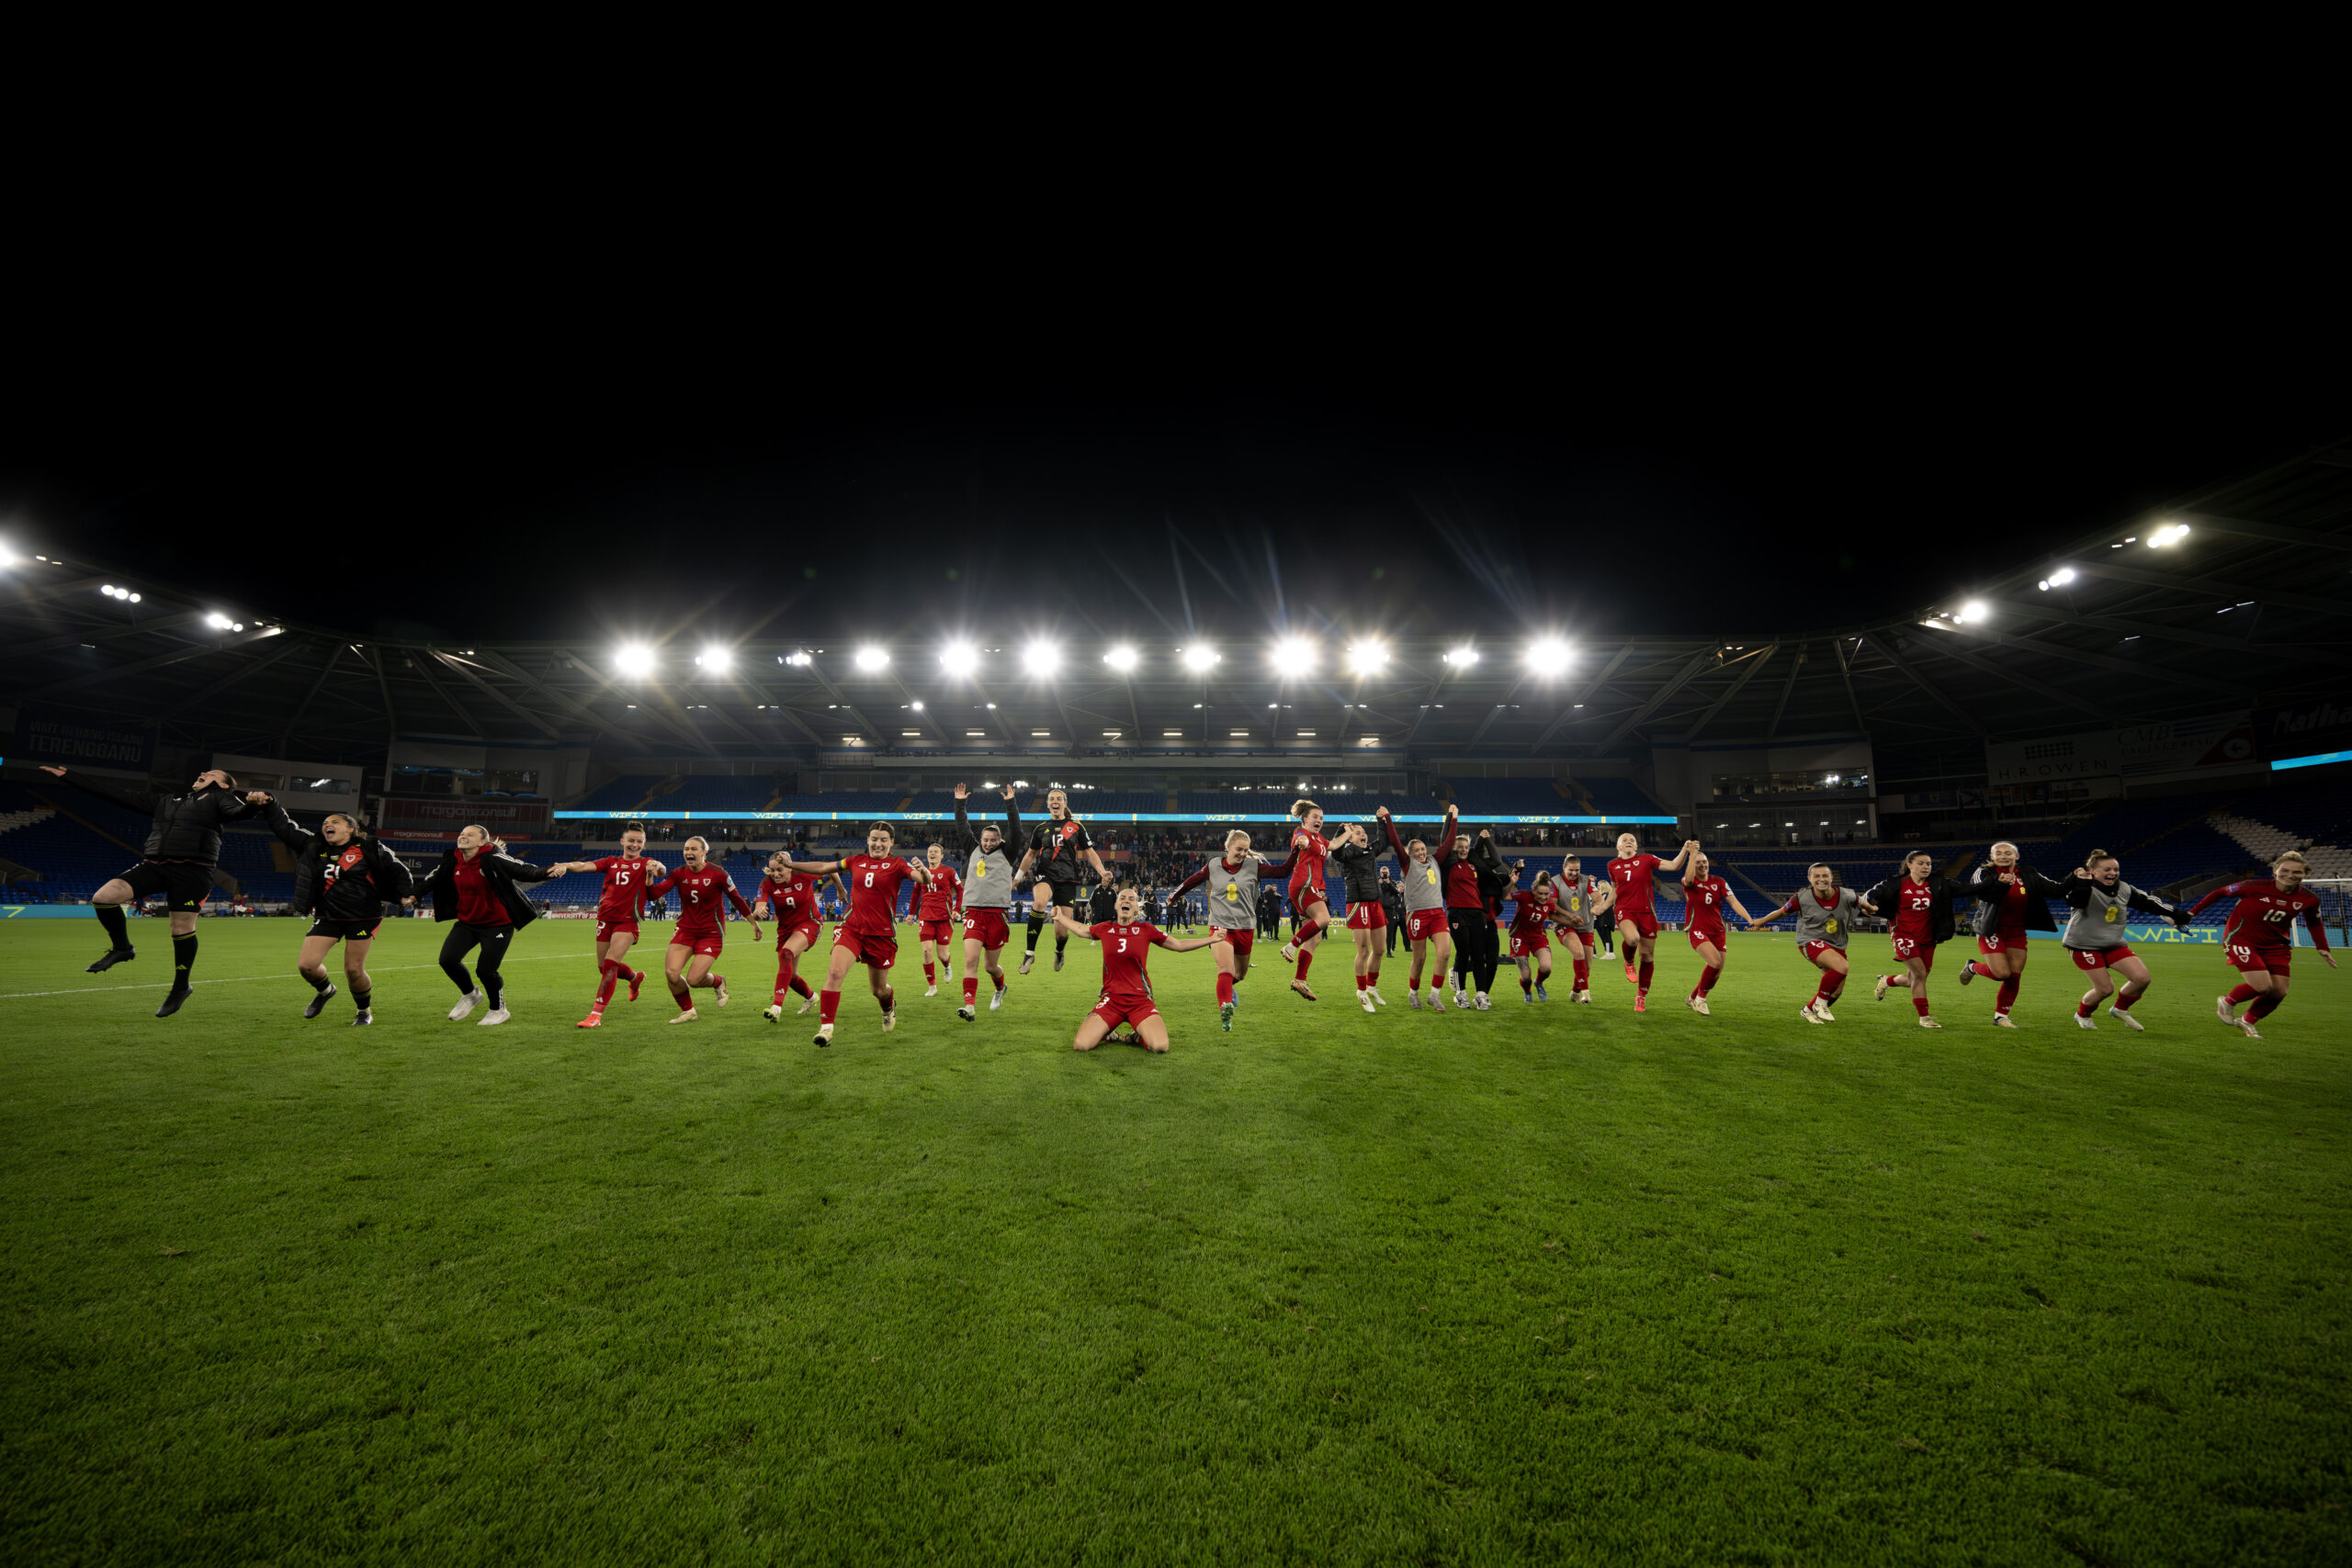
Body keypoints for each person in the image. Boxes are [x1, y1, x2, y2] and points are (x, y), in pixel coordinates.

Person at [38, 761, 262, 1015]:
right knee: (104, 897)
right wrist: (71, 777)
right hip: (155, 864)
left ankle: (181, 987)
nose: (203, 773)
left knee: (181, 928)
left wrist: (253, 806)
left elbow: (238, 812)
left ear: (222, 784)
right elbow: (117, 795)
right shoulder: (169, 800)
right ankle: (123, 948)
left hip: (193, 870)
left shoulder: (221, 798)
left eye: (210, 774)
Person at [259, 798, 413, 1025]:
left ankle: (364, 1011)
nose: (327, 825)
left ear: (350, 829)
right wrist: (269, 804)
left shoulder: (369, 848)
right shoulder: (314, 846)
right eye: (325, 823)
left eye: (334, 822)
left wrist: (406, 894)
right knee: (307, 966)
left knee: (353, 970)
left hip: (363, 917)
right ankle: (326, 991)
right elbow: (285, 829)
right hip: (328, 916)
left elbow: (399, 871)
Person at [780, 822, 929, 1046]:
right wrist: (792, 865)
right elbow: (823, 867)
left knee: (879, 990)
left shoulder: (898, 864)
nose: (878, 844)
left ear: (891, 842)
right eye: (874, 839)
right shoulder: (855, 861)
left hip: (881, 935)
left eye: (883, 840)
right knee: (835, 972)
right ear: (868, 840)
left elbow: (922, 879)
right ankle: (826, 1029)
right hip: (851, 928)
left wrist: (925, 872)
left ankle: (888, 1007)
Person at [412, 824, 563, 1027]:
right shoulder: (452, 859)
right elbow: (432, 879)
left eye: (470, 834)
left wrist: (548, 872)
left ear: (482, 841)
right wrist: (414, 895)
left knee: (486, 970)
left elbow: (521, 869)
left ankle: (498, 1010)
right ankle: (470, 995)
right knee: (447, 960)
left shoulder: (492, 857)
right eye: (462, 833)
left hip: (497, 924)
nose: (463, 836)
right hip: (468, 922)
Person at [2190, 849, 2337, 1038]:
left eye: (2297, 872)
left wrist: (2323, 948)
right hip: (2241, 939)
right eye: (2284, 870)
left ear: (2305, 874)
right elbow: (2220, 892)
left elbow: (2314, 923)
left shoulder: (2309, 899)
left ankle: (2247, 1021)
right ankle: (2227, 1001)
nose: (2290, 875)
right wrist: (2192, 913)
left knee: (2278, 992)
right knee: (2262, 986)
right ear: (2275, 871)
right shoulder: (2253, 885)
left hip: (2276, 946)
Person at [1052, 886, 1214, 1053]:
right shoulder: (1105, 928)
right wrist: (1060, 917)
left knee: (1160, 1046)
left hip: (1140, 1001)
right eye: (1122, 898)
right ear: (1116, 905)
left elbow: (1179, 945)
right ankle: (1109, 1034)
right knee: (1081, 1045)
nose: (1126, 901)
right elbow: (1081, 930)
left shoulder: (1146, 930)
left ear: (1137, 908)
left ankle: (1136, 1037)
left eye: (1131, 899)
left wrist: (1210, 939)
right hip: (1111, 1000)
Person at [544, 823, 668, 1028]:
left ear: (644, 844)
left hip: (628, 921)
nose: (634, 844)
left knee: (610, 965)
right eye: (631, 840)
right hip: (605, 919)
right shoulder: (611, 862)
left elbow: (661, 871)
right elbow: (584, 866)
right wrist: (566, 864)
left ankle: (595, 1015)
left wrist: (657, 867)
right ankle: (634, 978)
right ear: (622, 841)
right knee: (603, 967)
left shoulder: (646, 863)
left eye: (639, 841)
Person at [1171, 830, 1292, 1032]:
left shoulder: (1254, 867)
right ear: (1228, 847)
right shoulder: (1213, 865)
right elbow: (1193, 880)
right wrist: (1174, 896)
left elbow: (1283, 872)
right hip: (1220, 926)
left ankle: (1226, 989)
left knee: (1240, 974)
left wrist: (1296, 850)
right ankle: (1225, 1008)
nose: (1243, 853)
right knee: (1226, 970)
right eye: (1239, 849)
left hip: (1245, 927)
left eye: (1246, 850)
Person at [2057, 850, 2188, 1030]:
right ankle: (2082, 1015)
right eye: (2107, 870)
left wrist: (2177, 914)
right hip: (2083, 945)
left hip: (2112, 943)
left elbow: (2149, 902)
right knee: (2105, 989)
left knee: (2142, 978)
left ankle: (2120, 1009)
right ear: (2093, 871)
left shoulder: (2125, 889)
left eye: (2116, 869)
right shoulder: (2083, 886)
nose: (2113, 873)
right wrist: (2083, 882)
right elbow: (2076, 901)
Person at [639, 836, 758, 1022]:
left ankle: (718, 981)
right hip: (685, 929)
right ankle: (688, 1011)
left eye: (693, 849)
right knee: (671, 974)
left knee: (694, 980)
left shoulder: (719, 873)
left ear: (704, 852)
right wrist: (649, 876)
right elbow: (653, 895)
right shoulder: (679, 874)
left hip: (711, 933)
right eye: (686, 849)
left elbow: (735, 898)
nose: (689, 852)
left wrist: (753, 922)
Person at [1959, 841, 2072, 1028]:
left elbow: (2055, 890)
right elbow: (1983, 893)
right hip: (1992, 928)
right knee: (2001, 973)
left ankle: (2001, 1017)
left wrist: (2076, 878)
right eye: (1998, 853)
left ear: (2016, 856)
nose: (2003, 856)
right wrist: (2000, 883)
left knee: (2014, 975)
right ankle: (1972, 967)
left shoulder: (2027, 873)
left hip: (2016, 931)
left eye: (2008, 853)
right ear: (1992, 856)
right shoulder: (1984, 872)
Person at [1864, 849, 1979, 1029]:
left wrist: (1996, 883)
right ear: (1909, 865)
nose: (1926, 867)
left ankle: (1886, 981)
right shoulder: (1897, 883)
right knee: (1919, 975)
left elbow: (1968, 889)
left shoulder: (1936, 884)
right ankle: (1924, 1017)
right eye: (1921, 863)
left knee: (1913, 979)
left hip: (1927, 938)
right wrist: (1868, 905)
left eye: (1929, 864)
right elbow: (1872, 894)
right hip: (1903, 935)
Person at [1748, 863, 1872, 1024]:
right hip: (1810, 940)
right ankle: (1820, 1004)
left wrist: (1871, 908)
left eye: (1825, 876)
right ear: (1810, 879)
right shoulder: (1801, 898)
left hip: (1837, 944)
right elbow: (1782, 912)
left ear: (1831, 878)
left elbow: (1862, 902)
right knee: (1842, 967)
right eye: (1817, 876)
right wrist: (1762, 921)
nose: (1821, 879)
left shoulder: (1847, 894)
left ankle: (1807, 1011)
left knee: (1835, 993)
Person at [943, 784, 1022, 1021]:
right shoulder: (973, 849)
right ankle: (969, 1006)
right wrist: (959, 803)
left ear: (1000, 840)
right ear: (980, 839)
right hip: (974, 912)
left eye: (993, 840)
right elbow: (962, 827)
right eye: (985, 839)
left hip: (997, 915)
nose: (988, 843)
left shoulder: (1008, 852)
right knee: (970, 960)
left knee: (990, 967)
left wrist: (1010, 803)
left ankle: (1000, 987)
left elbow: (1016, 830)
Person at [1015, 789, 1111, 975]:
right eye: (1052, 799)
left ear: (1065, 803)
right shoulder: (1040, 828)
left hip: (1067, 879)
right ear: (1048, 804)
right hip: (1045, 874)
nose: (1055, 801)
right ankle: (1029, 954)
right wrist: (1018, 877)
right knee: (1039, 903)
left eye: (1059, 798)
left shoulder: (1076, 827)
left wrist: (1102, 872)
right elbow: (1030, 854)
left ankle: (1059, 951)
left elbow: (1090, 852)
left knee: (1061, 934)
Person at [1606, 832, 1701, 1014]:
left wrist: (1685, 850)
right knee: (1632, 939)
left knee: (1647, 957)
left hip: (1647, 912)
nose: (1628, 842)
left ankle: (1641, 997)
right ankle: (1628, 961)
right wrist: (1603, 906)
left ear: (1636, 846)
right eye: (1624, 840)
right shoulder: (1612, 865)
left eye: (1632, 840)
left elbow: (1674, 866)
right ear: (1618, 846)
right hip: (1625, 910)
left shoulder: (1647, 859)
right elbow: (1614, 890)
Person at [1379, 805, 1459, 1011]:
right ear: (1410, 853)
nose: (1422, 852)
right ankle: (1413, 994)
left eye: (1423, 849)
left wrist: (1454, 819)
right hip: (1416, 914)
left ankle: (1434, 995)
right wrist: (1388, 817)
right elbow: (1396, 842)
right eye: (1417, 850)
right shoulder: (1407, 864)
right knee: (1420, 958)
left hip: (1437, 912)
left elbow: (1449, 842)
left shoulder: (1435, 861)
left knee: (1445, 954)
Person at [1675, 851, 1758, 1016]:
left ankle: (1692, 997)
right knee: (1714, 962)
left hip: (1718, 930)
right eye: (1698, 862)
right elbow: (1689, 880)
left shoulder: (1719, 882)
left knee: (1716, 973)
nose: (1702, 865)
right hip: (1696, 928)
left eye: (1704, 862)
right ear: (1692, 865)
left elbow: (1734, 902)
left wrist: (1749, 919)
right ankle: (1701, 1000)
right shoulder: (1688, 881)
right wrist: (1692, 855)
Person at [751, 850, 826, 1021]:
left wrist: (841, 889)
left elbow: (830, 870)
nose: (775, 874)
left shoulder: (803, 874)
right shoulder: (767, 882)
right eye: (772, 870)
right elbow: (759, 906)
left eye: (779, 870)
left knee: (786, 953)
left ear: (790, 867)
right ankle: (811, 997)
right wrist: (758, 912)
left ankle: (776, 1007)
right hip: (785, 929)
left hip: (810, 922)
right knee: (790, 975)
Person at [1440, 825, 1509, 1010]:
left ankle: (1481, 995)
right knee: (1463, 953)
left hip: (1477, 913)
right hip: (1456, 912)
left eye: (1466, 847)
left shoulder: (1474, 863)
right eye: (1459, 847)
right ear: (1453, 849)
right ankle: (1460, 993)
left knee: (1478, 955)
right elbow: (1444, 840)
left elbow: (1496, 860)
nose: (1463, 849)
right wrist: (1451, 817)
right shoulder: (1448, 864)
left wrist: (1483, 840)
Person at [1275, 799, 1338, 996]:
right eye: (1315, 817)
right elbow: (1301, 840)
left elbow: (1334, 844)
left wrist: (1348, 832)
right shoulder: (1301, 833)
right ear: (1304, 819)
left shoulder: (1320, 839)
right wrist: (1303, 842)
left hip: (1309, 888)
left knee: (1315, 937)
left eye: (1321, 818)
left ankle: (1299, 979)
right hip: (1304, 885)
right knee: (1324, 919)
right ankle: (1291, 946)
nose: (1319, 820)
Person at [1330, 820, 1391, 1011]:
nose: (1363, 834)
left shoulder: (1370, 850)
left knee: (1380, 949)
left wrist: (1381, 821)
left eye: (1363, 832)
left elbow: (1384, 840)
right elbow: (1336, 852)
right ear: (1350, 838)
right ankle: (1361, 991)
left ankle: (1371, 987)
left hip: (1375, 903)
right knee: (1364, 950)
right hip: (1358, 903)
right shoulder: (1348, 852)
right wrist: (1342, 831)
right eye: (1357, 833)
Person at [1546, 854, 1613, 1003]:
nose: (1574, 873)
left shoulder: (1586, 880)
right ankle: (1586, 994)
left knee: (1587, 967)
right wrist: (1570, 916)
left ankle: (1575, 992)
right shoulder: (1555, 882)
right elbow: (1552, 906)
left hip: (1585, 925)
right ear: (1564, 868)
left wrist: (1596, 907)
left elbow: (1599, 899)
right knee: (1578, 952)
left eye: (1577, 870)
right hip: (1564, 924)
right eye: (1571, 870)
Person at [915, 842, 963, 998]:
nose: (932, 853)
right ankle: (932, 986)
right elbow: (915, 893)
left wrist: (957, 909)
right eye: (930, 851)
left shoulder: (949, 871)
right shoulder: (921, 872)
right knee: (926, 951)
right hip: (926, 916)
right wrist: (910, 914)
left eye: (936, 851)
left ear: (942, 856)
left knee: (942, 955)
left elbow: (960, 890)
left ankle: (947, 965)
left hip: (944, 917)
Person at [1505, 864, 1559, 1001]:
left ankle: (1538, 982)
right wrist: (1511, 883)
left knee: (1546, 968)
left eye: (1546, 894)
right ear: (1533, 891)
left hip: (1538, 937)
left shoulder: (1549, 904)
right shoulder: (1524, 896)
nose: (1543, 897)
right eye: (1540, 893)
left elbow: (1554, 916)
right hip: (1519, 937)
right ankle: (1527, 991)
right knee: (1525, 976)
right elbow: (1504, 896)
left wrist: (1571, 920)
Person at [1378, 868, 1405, 959]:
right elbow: (1374, 893)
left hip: (1390, 910)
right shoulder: (1377, 882)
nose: (1385, 874)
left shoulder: (1393, 882)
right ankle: (1378, 950)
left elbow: (1397, 892)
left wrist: (1388, 883)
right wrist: (1379, 884)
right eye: (1383, 873)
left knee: (1390, 932)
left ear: (1389, 873)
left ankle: (1389, 952)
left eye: (1386, 872)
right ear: (1380, 873)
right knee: (1378, 932)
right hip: (1380, 910)